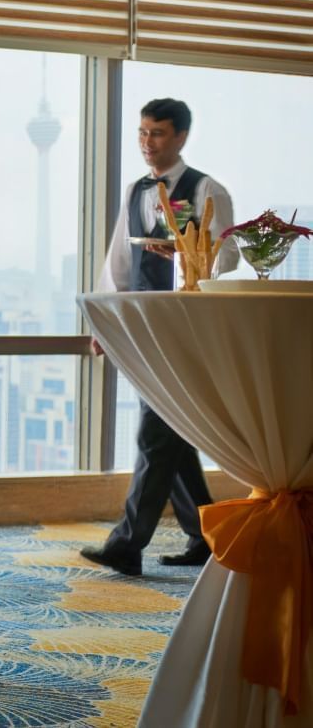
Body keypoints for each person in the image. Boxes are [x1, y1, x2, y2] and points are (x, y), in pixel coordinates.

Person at [81, 97, 238, 576]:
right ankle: (207, 536)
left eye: (159, 134)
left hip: (187, 329)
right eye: (143, 133)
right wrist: (106, 326)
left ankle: (127, 544)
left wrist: (183, 255)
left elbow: (227, 257)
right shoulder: (135, 190)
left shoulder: (208, 188)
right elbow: (119, 264)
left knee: (156, 433)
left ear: (182, 137)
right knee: (171, 434)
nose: (148, 143)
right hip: (145, 327)